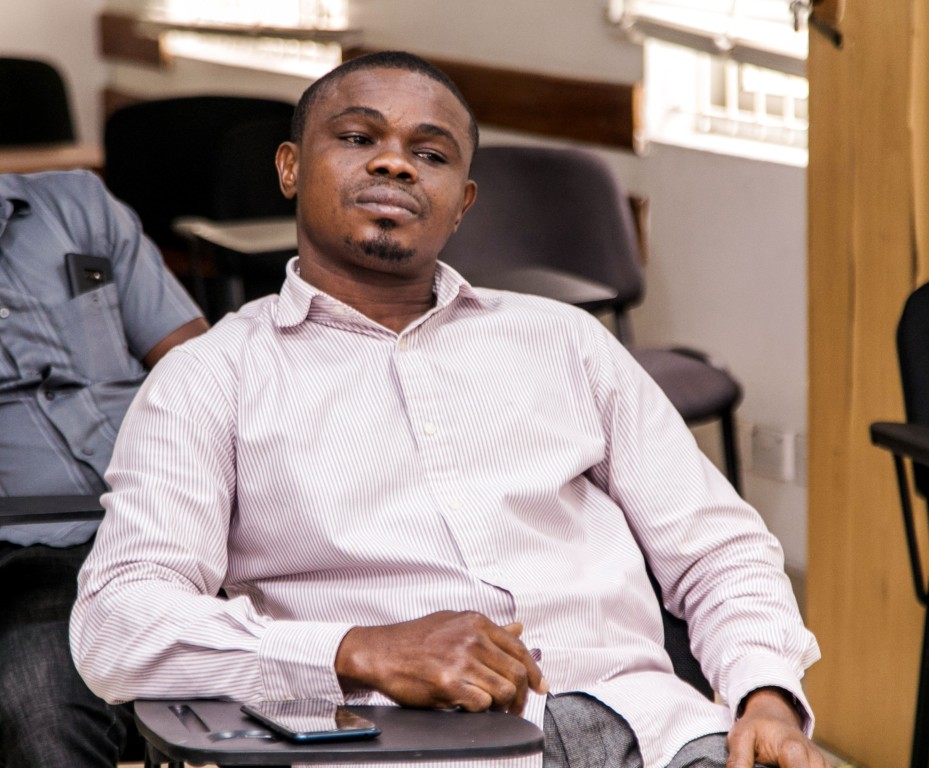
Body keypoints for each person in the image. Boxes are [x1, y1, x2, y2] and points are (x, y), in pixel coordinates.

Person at [71, 51, 828, 768]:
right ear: (290, 168)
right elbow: (116, 622)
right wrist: (358, 650)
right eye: (358, 137)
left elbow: (718, 548)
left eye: (430, 154)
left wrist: (767, 696)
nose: (396, 163)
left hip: (652, 733)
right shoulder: (212, 377)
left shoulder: (564, 341)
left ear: (461, 203)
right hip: (404, 747)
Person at [0, 169, 207, 767]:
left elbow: (197, 367)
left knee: (328, 660)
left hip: (177, 520)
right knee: (44, 713)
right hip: (35, 552)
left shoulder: (78, 205)